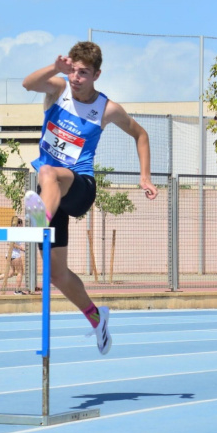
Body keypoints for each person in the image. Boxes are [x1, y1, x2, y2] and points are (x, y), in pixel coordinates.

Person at [21, 41, 157, 354]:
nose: (76, 78)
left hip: (80, 186)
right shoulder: (58, 88)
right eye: (73, 71)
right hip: (51, 195)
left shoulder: (107, 109)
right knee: (56, 274)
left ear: (97, 74)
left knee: (47, 172)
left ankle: (40, 223)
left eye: (83, 73)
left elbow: (141, 134)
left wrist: (145, 177)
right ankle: (96, 317)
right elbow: (28, 84)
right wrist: (55, 68)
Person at [0, 216, 28, 294]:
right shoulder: (14, 232)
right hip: (15, 255)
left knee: (11, 273)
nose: (22, 226)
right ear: (18, 224)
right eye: (21, 224)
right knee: (20, 272)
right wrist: (21, 248)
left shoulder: (14, 232)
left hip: (9, 255)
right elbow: (10, 243)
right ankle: (17, 290)